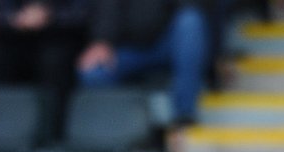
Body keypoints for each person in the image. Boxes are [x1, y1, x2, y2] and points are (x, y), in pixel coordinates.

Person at [76, 0, 213, 135]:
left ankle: (184, 118)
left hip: (167, 43)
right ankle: (128, 131)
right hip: (126, 49)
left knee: (190, 22)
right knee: (94, 72)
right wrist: (102, 40)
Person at [0, 0, 91, 141]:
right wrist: (15, 18)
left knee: (54, 61)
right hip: (16, 34)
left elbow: (83, 11)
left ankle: (52, 131)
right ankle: (0, 128)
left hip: (61, 34)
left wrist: (49, 17)